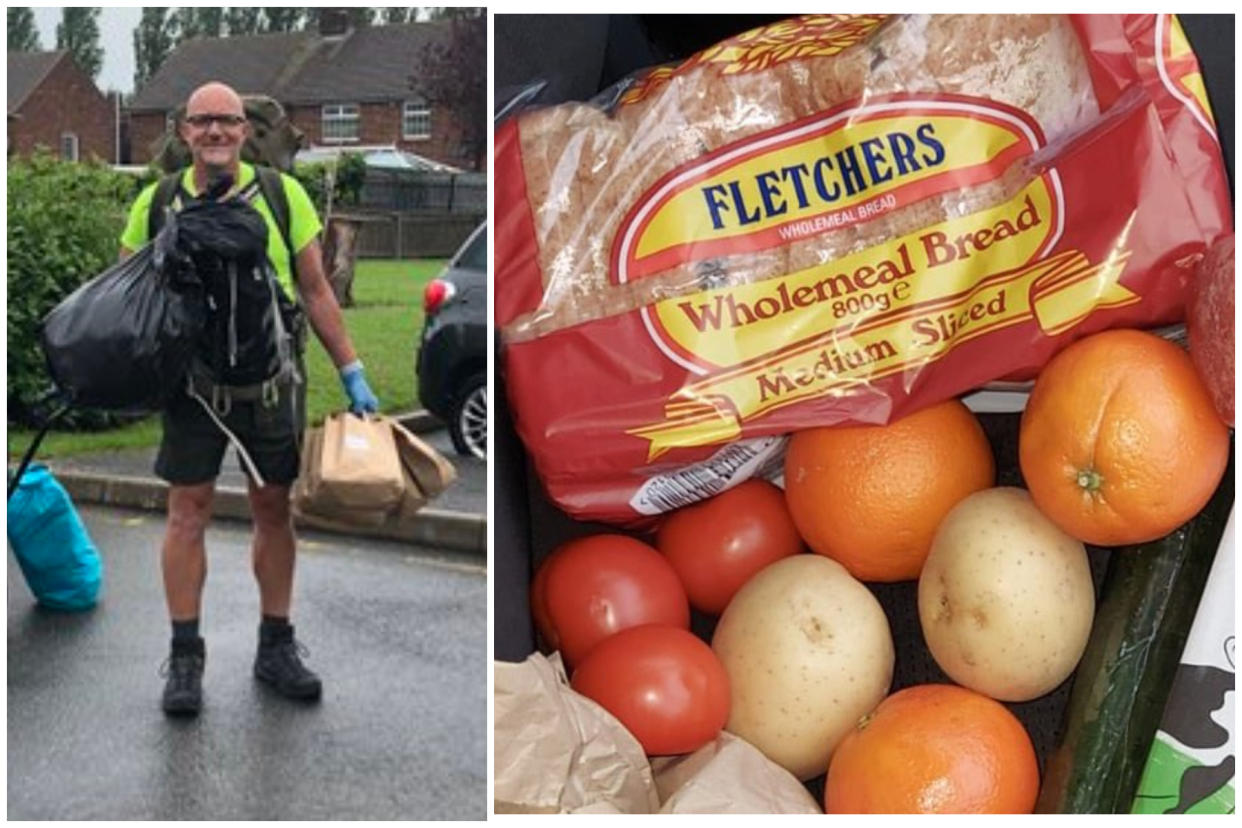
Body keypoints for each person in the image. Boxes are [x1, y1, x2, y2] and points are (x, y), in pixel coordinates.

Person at [119, 82, 380, 716]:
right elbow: (127, 293)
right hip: (192, 388)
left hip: (272, 382)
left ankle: (275, 646)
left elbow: (317, 291)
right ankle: (185, 658)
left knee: (273, 509)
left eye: (227, 121)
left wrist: (352, 370)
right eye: (202, 121)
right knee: (187, 512)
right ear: (184, 131)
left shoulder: (281, 195)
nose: (215, 132)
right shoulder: (156, 203)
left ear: (244, 130)